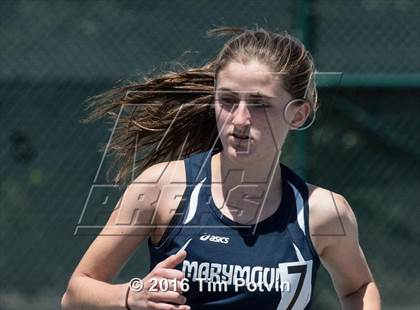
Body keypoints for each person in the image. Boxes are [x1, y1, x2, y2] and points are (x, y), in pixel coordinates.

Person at [61, 26, 381, 310]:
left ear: (297, 115)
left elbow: (358, 287)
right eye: (227, 100)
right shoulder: (163, 188)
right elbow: (76, 293)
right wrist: (132, 296)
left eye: (259, 104)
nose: (240, 120)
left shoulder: (322, 211)